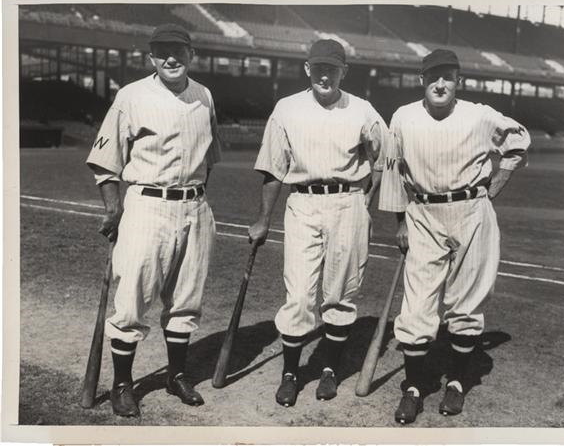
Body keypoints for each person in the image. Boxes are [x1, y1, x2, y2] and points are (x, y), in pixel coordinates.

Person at [375, 49, 530, 424]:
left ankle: (457, 382)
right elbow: (395, 173)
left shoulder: (479, 115)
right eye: (432, 77)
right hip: (423, 214)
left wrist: (498, 181)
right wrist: (401, 223)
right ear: (422, 80)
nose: (440, 84)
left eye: (447, 76)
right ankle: (413, 388)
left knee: (465, 305)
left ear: (457, 80)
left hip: (471, 212)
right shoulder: (404, 117)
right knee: (415, 309)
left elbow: (519, 140)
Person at [86, 23, 221, 417]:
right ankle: (122, 384)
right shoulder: (131, 96)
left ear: (191, 54)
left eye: (178, 50)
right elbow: (105, 160)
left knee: (186, 299)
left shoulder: (204, 96)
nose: (171, 58)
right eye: (162, 52)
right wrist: (113, 209)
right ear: (151, 58)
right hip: (147, 204)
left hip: (195, 207)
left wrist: (194, 195)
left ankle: (176, 375)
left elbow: (209, 158)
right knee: (131, 300)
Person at [248, 39, 386, 407]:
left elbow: (384, 157)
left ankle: (329, 370)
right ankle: (291, 374)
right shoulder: (287, 109)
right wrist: (263, 219)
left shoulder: (363, 111)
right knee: (299, 296)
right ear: (308, 69)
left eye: (333, 69)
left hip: (348, 204)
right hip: (303, 203)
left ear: (344, 72)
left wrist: (366, 197)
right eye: (319, 68)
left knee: (341, 294)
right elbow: (274, 169)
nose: (326, 75)